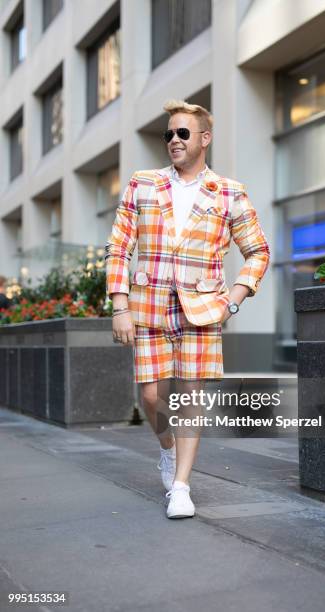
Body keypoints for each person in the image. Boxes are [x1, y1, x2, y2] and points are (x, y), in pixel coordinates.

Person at [105, 100, 270, 519]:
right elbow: (120, 246)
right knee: (151, 396)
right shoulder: (143, 184)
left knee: (190, 396)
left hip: (202, 310)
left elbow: (257, 252)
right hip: (150, 306)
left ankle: (181, 486)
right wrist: (119, 304)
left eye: (182, 133)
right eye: (169, 135)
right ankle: (167, 448)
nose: (174, 141)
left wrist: (233, 299)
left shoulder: (229, 192)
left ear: (204, 139)